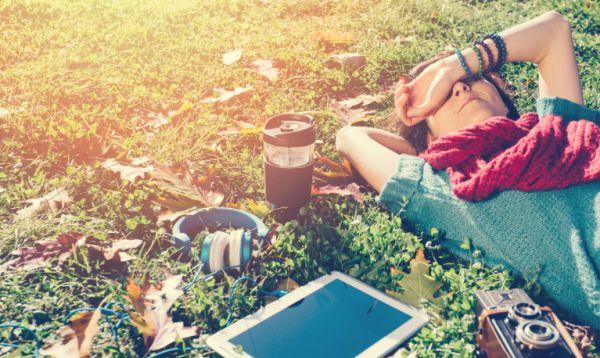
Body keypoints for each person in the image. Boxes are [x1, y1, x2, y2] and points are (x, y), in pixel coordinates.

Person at [336, 10, 600, 329]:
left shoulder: (558, 129)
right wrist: (429, 153)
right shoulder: (446, 191)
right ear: (430, 137)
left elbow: (554, 31)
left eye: (471, 79)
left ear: (505, 104)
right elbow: (351, 137)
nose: (460, 88)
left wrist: (454, 66)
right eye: (444, 95)